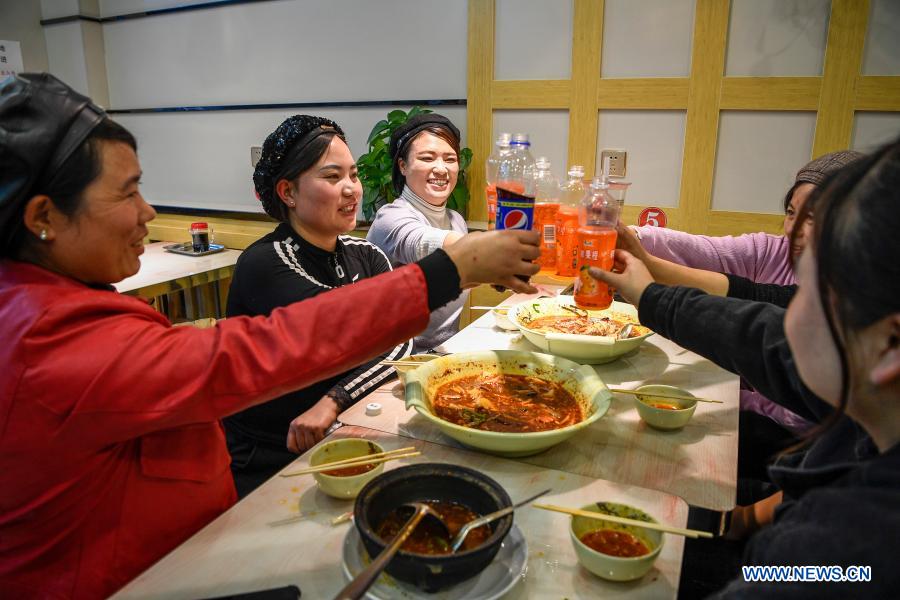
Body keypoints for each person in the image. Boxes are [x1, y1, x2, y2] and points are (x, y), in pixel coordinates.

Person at [0, 73, 540, 598]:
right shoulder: (44, 341)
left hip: (187, 553)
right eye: (128, 192)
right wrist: (447, 270)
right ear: (44, 216)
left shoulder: (55, 303)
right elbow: (261, 351)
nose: (149, 212)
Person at [590, 139, 900, 598]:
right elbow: (754, 321)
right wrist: (735, 521)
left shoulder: (843, 553)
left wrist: (757, 566)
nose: (787, 311)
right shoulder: (865, 423)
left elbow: (792, 577)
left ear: (890, 345)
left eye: (809, 293)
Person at [224, 115, 415, 496]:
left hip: (341, 429)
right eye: (332, 177)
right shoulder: (265, 263)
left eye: (354, 175)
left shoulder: (367, 255)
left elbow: (399, 340)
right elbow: (340, 326)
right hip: (272, 455)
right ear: (288, 192)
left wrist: (334, 400)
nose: (351, 190)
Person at [633, 150, 864, 285]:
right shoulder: (772, 252)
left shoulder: (865, 290)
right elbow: (702, 250)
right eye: (791, 213)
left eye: (811, 218)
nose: (793, 230)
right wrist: (635, 235)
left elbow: (757, 305)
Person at [366, 113, 468, 351]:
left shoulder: (457, 221)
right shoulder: (390, 218)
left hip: (444, 355)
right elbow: (421, 244)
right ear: (403, 166)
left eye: (450, 159)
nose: (441, 169)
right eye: (427, 158)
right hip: (391, 363)